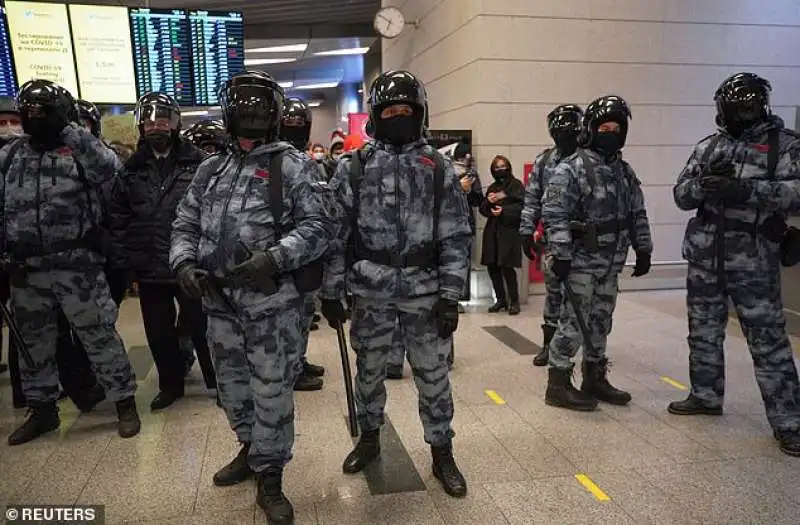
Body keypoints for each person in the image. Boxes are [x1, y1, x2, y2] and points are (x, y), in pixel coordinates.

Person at [170, 70, 336, 524]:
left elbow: (321, 228)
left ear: (275, 116)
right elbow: (184, 223)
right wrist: (183, 263)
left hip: (272, 306)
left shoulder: (294, 166)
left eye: (259, 110)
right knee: (232, 389)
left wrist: (275, 258)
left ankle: (271, 478)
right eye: (243, 108)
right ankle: (248, 447)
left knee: (272, 393)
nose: (251, 116)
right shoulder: (211, 168)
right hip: (218, 304)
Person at [319, 69, 471, 498]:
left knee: (433, 376)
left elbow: (457, 235)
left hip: (426, 292)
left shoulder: (438, 167)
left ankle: (442, 451)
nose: (399, 117)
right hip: (371, 292)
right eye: (390, 110)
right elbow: (336, 235)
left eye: (407, 110)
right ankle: (369, 439)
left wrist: (450, 295)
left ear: (420, 114)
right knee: (368, 373)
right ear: (376, 116)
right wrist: (332, 292)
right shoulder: (354, 167)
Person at [1, 79, 140, 444]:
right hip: (26, 269)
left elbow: (108, 168)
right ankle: (42, 409)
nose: (35, 120)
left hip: (76, 265)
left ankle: (124, 401)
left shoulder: (79, 150)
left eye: (43, 113)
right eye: (29, 113)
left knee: (98, 336)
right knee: (33, 344)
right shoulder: (12, 155)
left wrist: (69, 130)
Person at [669, 72, 800, 457]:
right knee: (703, 333)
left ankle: (790, 421)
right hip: (706, 258)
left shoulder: (785, 145)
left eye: (745, 105)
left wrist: (747, 190)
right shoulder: (709, 147)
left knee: (769, 342)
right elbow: (681, 193)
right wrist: (704, 185)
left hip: (754, 260)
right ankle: (706, 395)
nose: (738, 112)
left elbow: (797, 192)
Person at [541, 94, 653, 412]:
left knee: (601, 321)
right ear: (590, 128)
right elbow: (554, 213)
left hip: (611, 262)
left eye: (617, 127)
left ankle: (595, 376)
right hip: (579, 261)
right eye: (604, 126)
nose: (611, 132)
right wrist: (560, 253)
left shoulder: (624, 171)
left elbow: (637, 212)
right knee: (573, 322)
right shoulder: (571, 168)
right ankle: (558, 382)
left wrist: (643, 247)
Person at [108, 92, 216, 411]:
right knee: (159, 333)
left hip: (190, 264)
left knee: (204, 327)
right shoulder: (129, 170)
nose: (156, 127)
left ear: (175, 124)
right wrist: (124, 264)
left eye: (163, 121)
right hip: (149, 266)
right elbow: (118, 218)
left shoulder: (199, 162)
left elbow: (213, 212)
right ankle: (171, 385)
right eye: (150, 121)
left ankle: (219, 381)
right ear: (141, 126)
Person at [520, 104, 584, 366]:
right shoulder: (545, 161)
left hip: (584, 244)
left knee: (583, 296)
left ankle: (585, 347)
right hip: (553, 243)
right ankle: (549, 344)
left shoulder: (587, 161)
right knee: (554, 294)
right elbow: (532, 196)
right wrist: (526, 230)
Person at [278, 96, 327, 392]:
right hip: (285, 250)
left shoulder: (308, 163)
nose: (295, 128)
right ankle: (290, 369)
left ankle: (299, 359)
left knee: (305, 313)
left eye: (299, 124)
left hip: (310, 251)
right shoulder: (276, 162)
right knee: (288, 316)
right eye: (289, 124)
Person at [480, 155, 525, 315]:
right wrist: (489, 203)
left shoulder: (516, 185)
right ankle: (500, 300)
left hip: (509, 232)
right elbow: (483, 210)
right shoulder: (492, 187)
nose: (500, 170)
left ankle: (514, 301)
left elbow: (522, 208)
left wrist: (504, 211)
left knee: (507, 267)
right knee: (493, 267)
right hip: (492, 231)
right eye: (496, 167)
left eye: (502, 166)